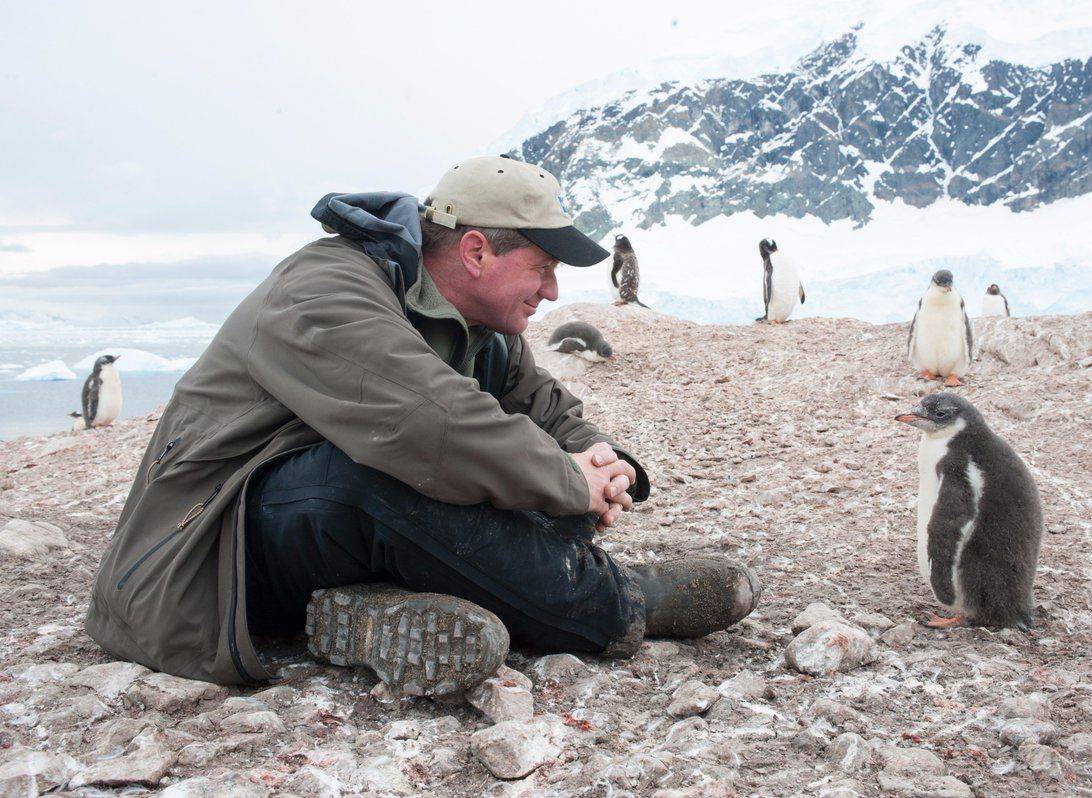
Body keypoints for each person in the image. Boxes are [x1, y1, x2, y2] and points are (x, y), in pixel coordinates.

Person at [85, 156, 760, 694]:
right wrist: (563, 479)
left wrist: (602, 463)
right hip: (211, 555)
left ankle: (364, 614)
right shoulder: (325, 288)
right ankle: (616, 602)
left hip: (322, 545)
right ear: (475, 252)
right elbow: (425, 420)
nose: (553, 292)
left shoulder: (482, 331)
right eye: (543, 268)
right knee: (390, 474)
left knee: (531, 486)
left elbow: (544, 410)